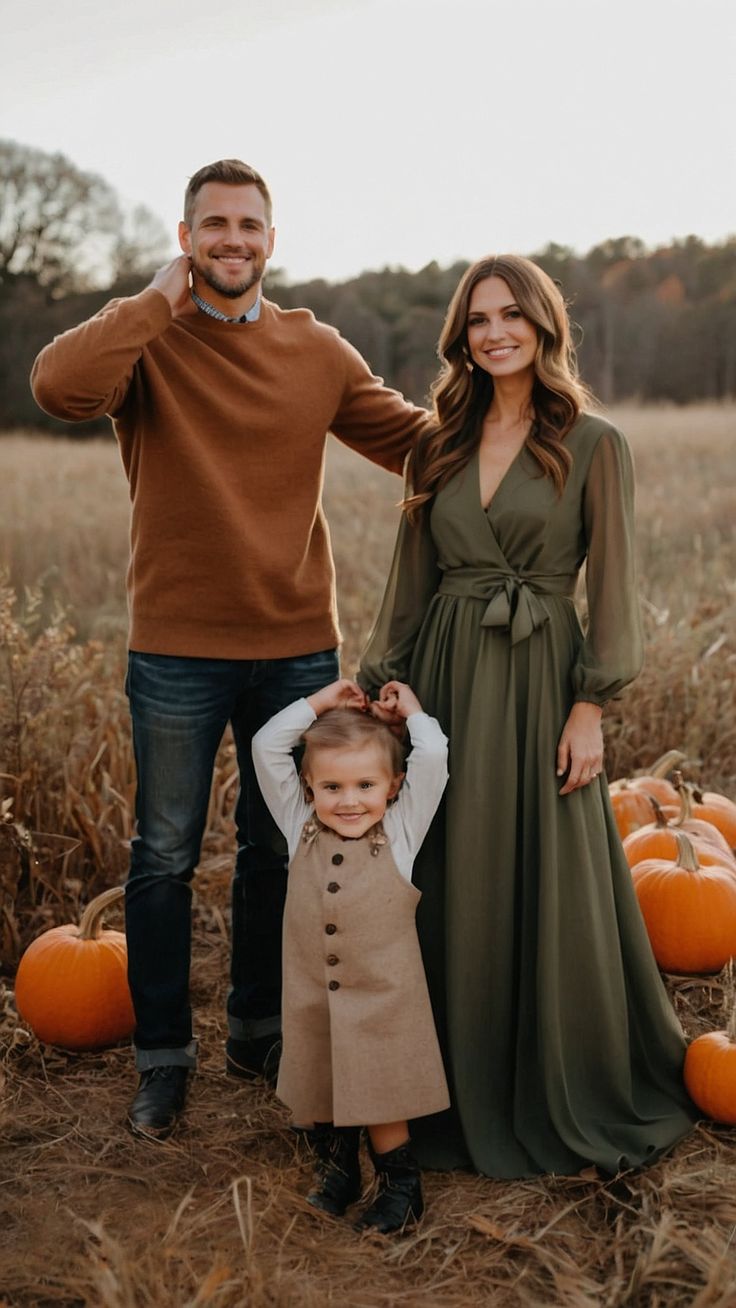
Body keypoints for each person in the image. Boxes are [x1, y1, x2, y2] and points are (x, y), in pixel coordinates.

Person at [30, 159, 432, 1140]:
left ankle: (258, 1030)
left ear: (271, 239)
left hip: (297, 646)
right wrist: (155, 301)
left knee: (276, 846)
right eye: (213, 225)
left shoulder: (315, 349)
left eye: (249, 224)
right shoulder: (146, 344)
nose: (232, 240)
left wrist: (535, 431)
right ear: (186, 238)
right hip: (175, 647)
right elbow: (57, 386)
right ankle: (164, 1057)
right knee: (163, 855)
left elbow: (416, 443)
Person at [358, 254, 696, 1178]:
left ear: (544, 326)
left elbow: (616, 594)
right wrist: (383, 682)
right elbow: (409, 581)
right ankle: (437, 1085)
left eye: (512, 315)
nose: (495, 332)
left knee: (541, 864)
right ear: (460, 338)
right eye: (478, 320)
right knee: (445, 863)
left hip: (543, 672)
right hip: (448, 677)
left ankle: (551, 1077)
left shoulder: (594, 442)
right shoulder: (436, 443)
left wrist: (591, 705)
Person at [251, 677, 449, 1232]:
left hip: (383, 999)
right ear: (309, 787)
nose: (350, 800)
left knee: (383, 1094)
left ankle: (400, 1187)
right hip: (313, 989)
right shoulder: (300, 827)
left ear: (393, 787)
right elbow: (267, 745)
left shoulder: (402, 832)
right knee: (317, 1085)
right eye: (332, 786)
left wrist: (409, 713)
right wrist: (319, 704)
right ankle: (337, 1172)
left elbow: (433, 754)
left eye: (365, 784)